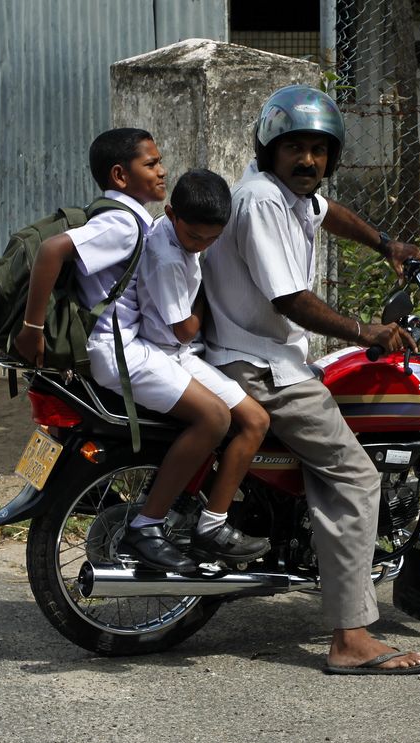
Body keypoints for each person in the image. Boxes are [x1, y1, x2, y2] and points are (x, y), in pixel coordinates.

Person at [202, 85, 420, 675]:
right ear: (269, 149)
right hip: (259, 365)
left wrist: (388, 245)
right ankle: (350, 638)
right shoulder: (261, 203)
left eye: (319, 150)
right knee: (355, 476)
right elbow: (292, 300)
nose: (309, 160)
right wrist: (367, 332)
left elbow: (333, 215)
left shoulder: (296, 197)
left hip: (272, 356)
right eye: (295, 148)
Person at [13, 128, 260, 573]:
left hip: (137, 348)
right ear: (119, 175)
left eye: (160, 160)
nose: (162, 169)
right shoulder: (123, 223)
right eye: (150, 163)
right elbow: (51, 251)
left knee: (246, 418)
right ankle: (148, 525)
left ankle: (201, 517)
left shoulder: (144, 220)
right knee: (214, 418)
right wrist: (32, 327)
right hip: (123, 352)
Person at [136, 168, 271, 565]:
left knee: (255, 421)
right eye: (195, 237)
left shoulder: (181, 238)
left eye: (212, 239)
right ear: (171, 212)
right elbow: (183, 330)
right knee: (235, 421)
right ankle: (182, 520)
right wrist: (207, 294)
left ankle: (207, 515)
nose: (202, 246)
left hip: (183, 353)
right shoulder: (167, 259)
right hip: (168, 352)